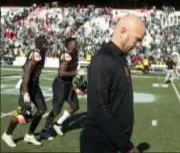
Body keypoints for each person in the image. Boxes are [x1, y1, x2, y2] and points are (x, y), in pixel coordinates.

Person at [80, 15, 146, 153]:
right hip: (99, 144)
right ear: (123, 32)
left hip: (114, 142)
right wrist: (127, 146)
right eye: (137, 39)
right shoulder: (103, 60)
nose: (139, 45)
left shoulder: (120, 58)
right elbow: (99, 108)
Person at [2, 35, 50, 147]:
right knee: (21, 112)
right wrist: (26, 92)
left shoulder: (41, 53)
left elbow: (24, 66)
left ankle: (30, 134)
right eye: (45, 44)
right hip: (28, 85)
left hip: (34, 85)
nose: (48, 46)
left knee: (42, 109)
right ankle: (7, 134)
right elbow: (27, 72)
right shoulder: (36, 54)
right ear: (40, 45)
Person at [41, 37, 84, 140]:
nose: (76, 44)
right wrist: (76, 73)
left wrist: (78, 78)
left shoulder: (75, 53)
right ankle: (45, 130)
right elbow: (61, 73)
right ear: (68, 45)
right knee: (56, 110)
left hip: (68, 84)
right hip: (60, 85)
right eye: (74, 43)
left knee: (75, 106)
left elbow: (73, 68)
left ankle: (58, 123)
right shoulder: (66, 55)